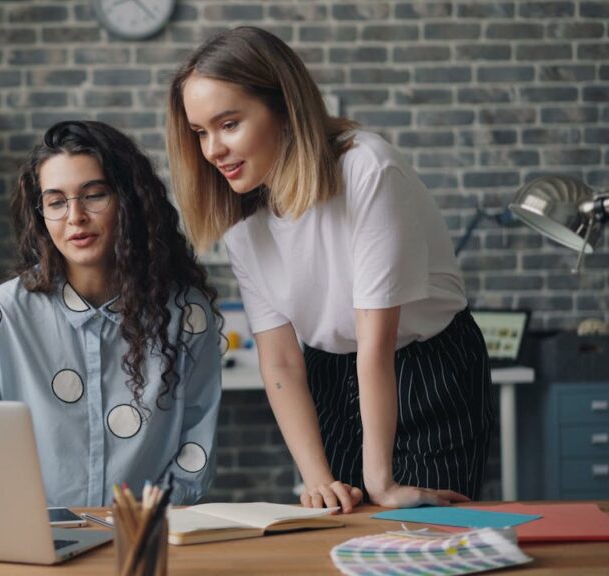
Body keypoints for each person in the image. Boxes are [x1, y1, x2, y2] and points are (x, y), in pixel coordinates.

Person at [166, 26, 495, 512]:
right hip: (330, 373)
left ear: (284, 107)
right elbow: (279, 362)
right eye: (200, 133)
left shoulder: (367, 169)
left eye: (228, 124)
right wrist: (317, 478)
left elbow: (376, 342)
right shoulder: (241, 219)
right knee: (336, 526)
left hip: (426, 369)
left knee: (419, 540)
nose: (212, 150)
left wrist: (379, 481)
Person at [0, 120, 222, 507]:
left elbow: (195, 446)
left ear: (130, 200)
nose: (75, 217)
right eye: (56, 201)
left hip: (142, 542)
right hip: (29, 547)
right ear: (41, 214)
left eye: (94, 195)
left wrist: (146, 524)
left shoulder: (186, 316)